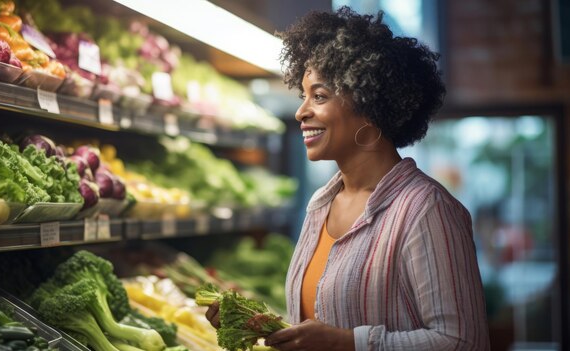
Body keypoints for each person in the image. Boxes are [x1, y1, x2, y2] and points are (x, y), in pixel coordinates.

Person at [206, 7, 490, 350]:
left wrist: (348, 343)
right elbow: (319, 321)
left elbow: (463, 342)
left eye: (319, 96)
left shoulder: (426, 211)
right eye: (304, 95)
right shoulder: (320, 205)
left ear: (369, 106)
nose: (301, 111)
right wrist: (253, 322)